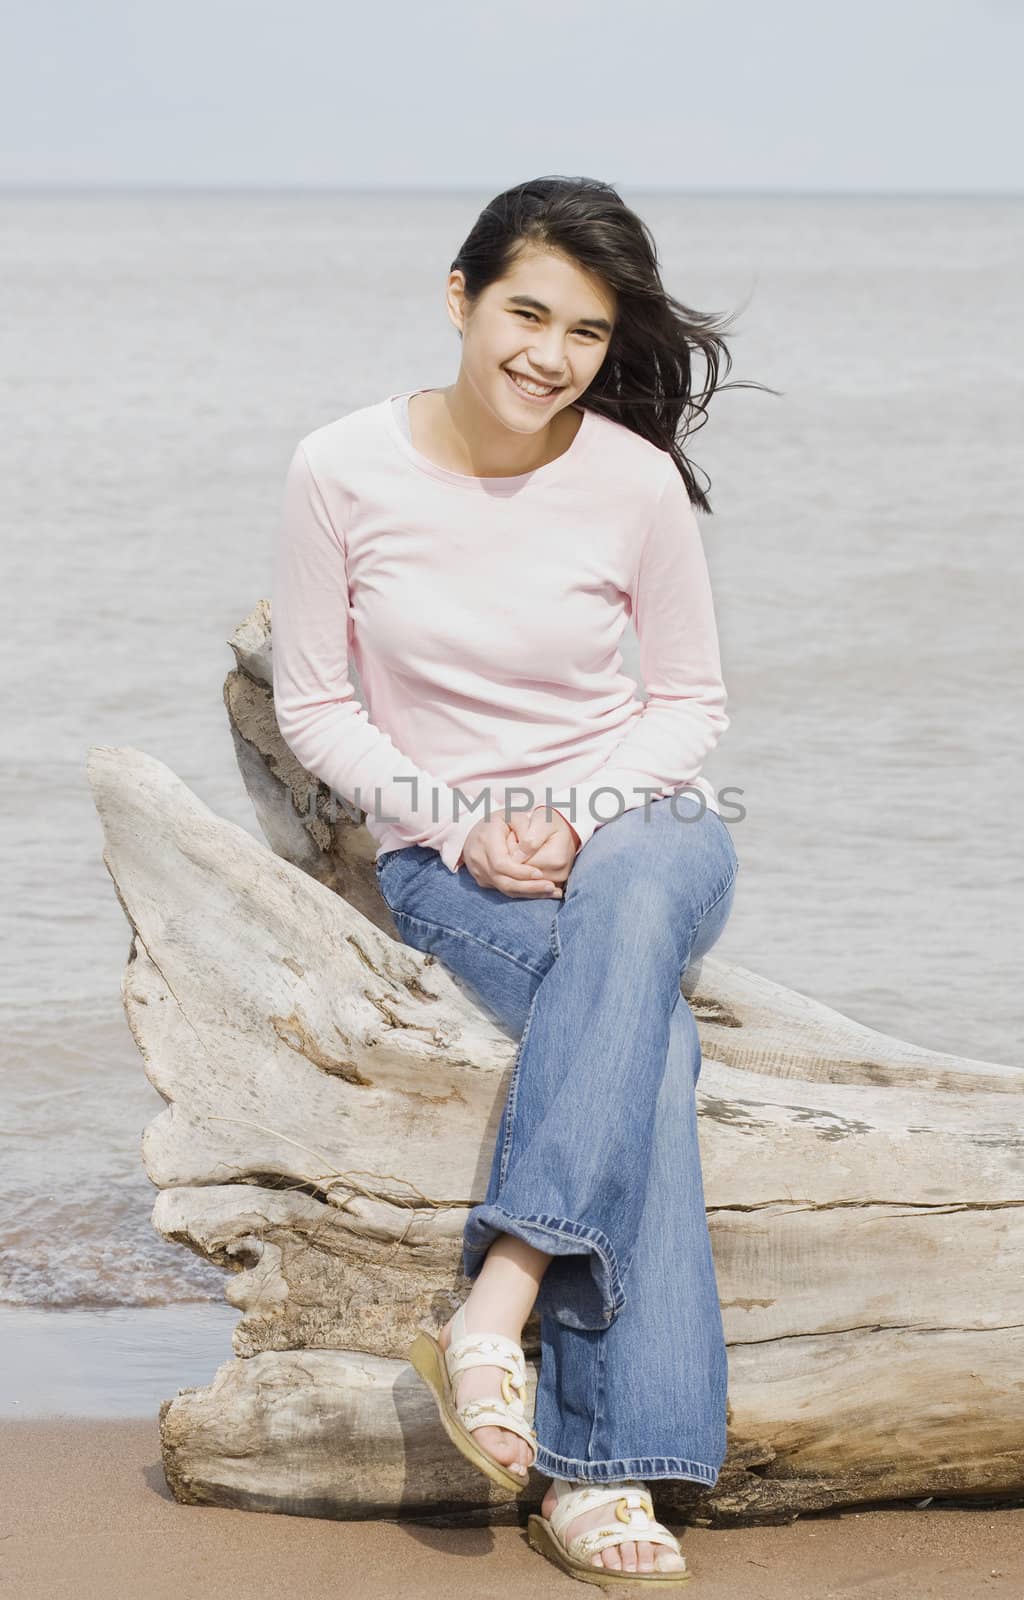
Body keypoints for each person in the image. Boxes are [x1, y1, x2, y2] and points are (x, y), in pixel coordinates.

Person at [272, 174, 759, 1584]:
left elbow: (688, 698)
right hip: (451, 865)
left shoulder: (631, 477)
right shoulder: (341, 469)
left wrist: (576, 804)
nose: (549, 355)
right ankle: (605, 1472)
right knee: (643, 1044)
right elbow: (318, 708)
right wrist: (466, 824)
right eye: (526, 313)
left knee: (629, 906)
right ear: (460, 300)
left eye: (587, 334)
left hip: (649, 831)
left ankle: (499, 1308)